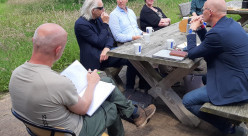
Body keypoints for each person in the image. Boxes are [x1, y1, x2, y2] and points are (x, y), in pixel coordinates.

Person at [9, 23, 156, 136]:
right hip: (72, 131)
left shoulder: (16, 74)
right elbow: (83, 108)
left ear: (33, 41)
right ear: (58, 50)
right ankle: (134, 114)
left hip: (39, 129)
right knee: (111, 107)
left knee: (107, 83)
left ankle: (135, 114)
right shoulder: (58, 83)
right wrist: (91, 83)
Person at [183, 0, 248, 136]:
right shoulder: (230, 24)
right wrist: (201, 28)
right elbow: (210, 42)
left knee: (187, 101)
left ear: (210, 12)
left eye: (203, 10)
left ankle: (229, 128)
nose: (201, 13)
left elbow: (192, 53)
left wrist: (191, 30)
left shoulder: (218, 32)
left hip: (241, 88)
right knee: (207, 78)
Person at [74, 0, 149, 90]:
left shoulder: (97, 18)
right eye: (101, 8)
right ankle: (132, 89)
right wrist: (105, 24)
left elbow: (109, 37)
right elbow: (99, 42)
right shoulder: (81, 24)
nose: (104, 10)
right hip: (96, 59)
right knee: (131, 59)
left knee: (134, 56)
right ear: (93, 10)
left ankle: (139, 86)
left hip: (106, 53)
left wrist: (107, 48)